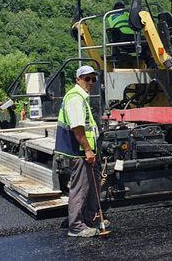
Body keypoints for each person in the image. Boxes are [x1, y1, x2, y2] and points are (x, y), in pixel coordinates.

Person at [55, 65, 110, 238]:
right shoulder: (75, 98)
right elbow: (78, 129)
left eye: (93, 79)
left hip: (84, 150)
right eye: (87, 78)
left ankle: (90, 217)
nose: (91, 82)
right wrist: (87, 150)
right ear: (78, 79)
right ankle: (76, 226)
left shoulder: (81, 97)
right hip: (78, 151)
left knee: (92, 184)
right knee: (80, 188)